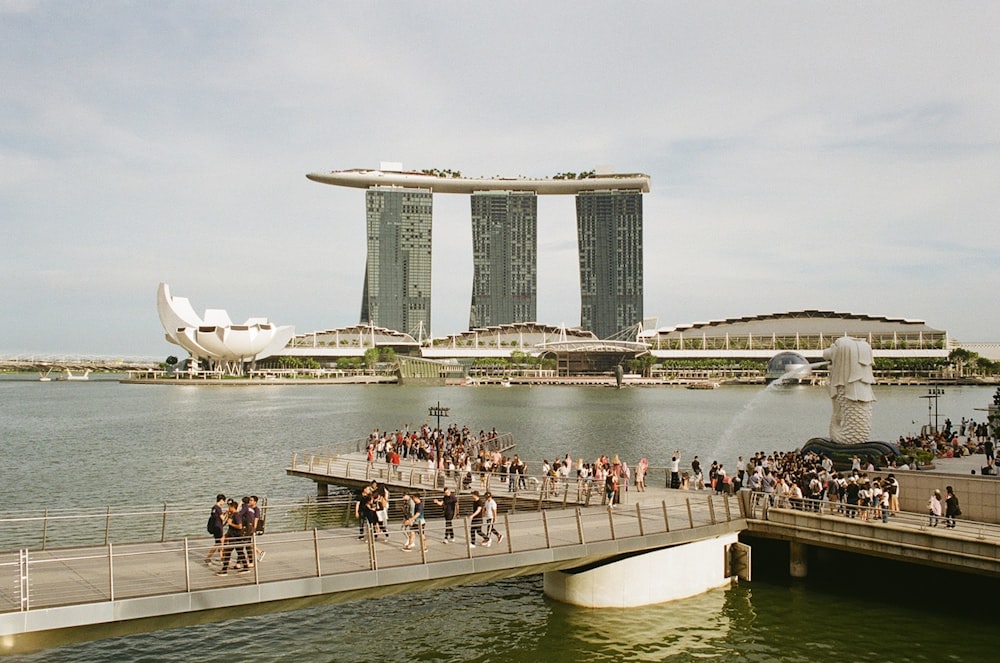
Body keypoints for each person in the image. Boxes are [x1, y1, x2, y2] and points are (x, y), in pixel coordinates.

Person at [216, 499, 250, 576]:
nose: (228, 508)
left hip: (236, 537)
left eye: (229, 507)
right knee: (239, 552)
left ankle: (224, 570)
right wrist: (225, 535)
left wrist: (230, 524)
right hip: (233, 536)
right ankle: (245, 567)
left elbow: (239, 526)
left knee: (228, 552)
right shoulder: (232, 514)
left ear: (233, 507)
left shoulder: (236, 515)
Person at [204, 493, 227, 565]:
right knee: (218, 543)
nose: (224, 503)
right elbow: (222, 518)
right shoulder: (218, 508)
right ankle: (208, 557)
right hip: (218, 527)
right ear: (221, 500)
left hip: (214, 527)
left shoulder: (213, 508)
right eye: (223, 501)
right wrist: (226, 514)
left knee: (219, 543)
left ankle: (221, 557)